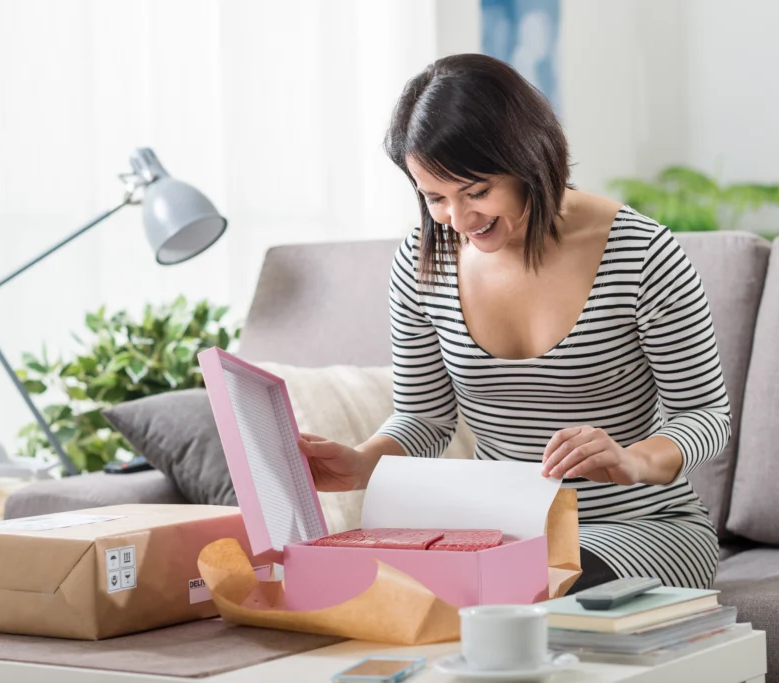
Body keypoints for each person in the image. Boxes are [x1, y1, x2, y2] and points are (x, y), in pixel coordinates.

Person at [298, 54, 731, 591]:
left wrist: (633, 460)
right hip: (503, 532)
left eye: (476, 192)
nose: (458, 220)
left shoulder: (642, 253)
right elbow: (426, 420)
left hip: (640, 528)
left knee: (525, 584)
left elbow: (706, 414)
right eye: (435, 198)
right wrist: (361, 463)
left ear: (529, 158)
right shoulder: (421, 261)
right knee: (365, 585)